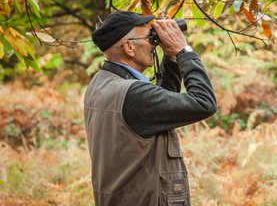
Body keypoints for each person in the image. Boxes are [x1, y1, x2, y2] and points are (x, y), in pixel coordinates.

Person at [83, 11, 217, 206]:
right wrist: (183, 51)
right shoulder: (133, 94)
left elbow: (158, 112)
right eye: (149, 38)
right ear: (129, 47)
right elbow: (204, 103)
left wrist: (170, 58)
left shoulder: (100, 83)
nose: (154, 43)